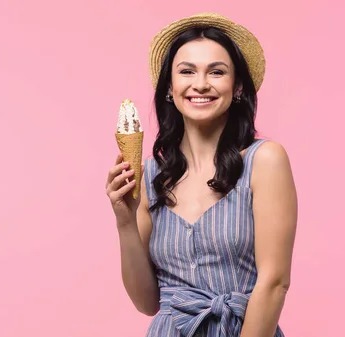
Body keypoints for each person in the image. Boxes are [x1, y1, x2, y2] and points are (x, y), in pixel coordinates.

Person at [105, 12, 298, 337]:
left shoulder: (264, 161)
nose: (201, 84)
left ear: (237, 86)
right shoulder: (149, 175)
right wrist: (124, 221)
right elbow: (147, 302)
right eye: (187, 71)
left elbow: (274, 283)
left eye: (217, 72)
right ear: (170, 86)